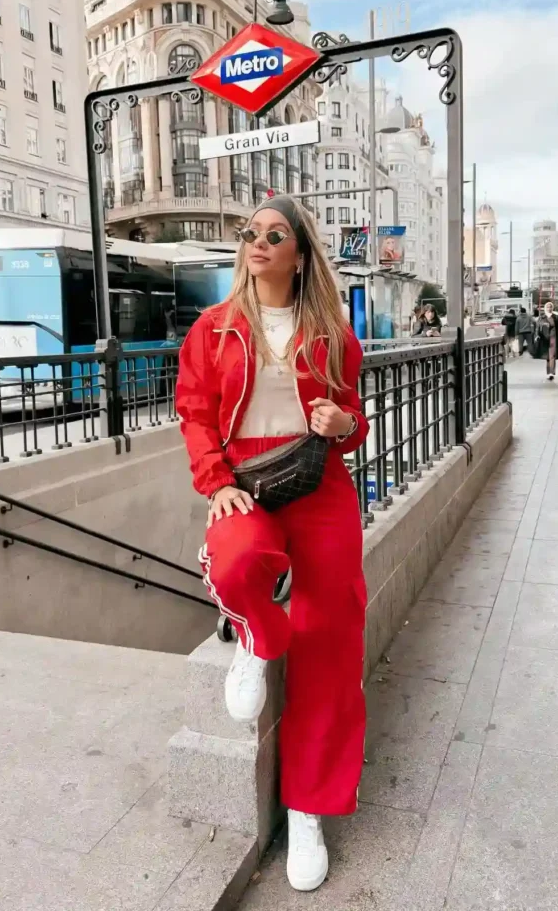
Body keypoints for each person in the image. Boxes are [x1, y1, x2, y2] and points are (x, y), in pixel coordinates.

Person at [176, 195, 368, 893]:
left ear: (300, 254)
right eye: (249, 233)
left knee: (332, 633)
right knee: (234, 562)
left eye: (274, 234)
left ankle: (309, 808)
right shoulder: (215, 327)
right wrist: (214, 480)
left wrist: (343, 422)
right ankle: (258, 636)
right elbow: (194, 411)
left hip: (316, 481)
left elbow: (353, 421)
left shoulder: (332, 333)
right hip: (244, 481)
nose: (257, 243)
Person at [536, 302, 558, 380]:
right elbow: (537, 328)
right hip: (545, 339)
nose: (549, 308)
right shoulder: (542, 317)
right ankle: (548, 372)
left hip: (554, 338)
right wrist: (537, 335)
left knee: (552, 356)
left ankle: (551, 373)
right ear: (545, 308)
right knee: (547, 356)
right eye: (547, 307)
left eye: (550, 307)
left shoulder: (556, 317)